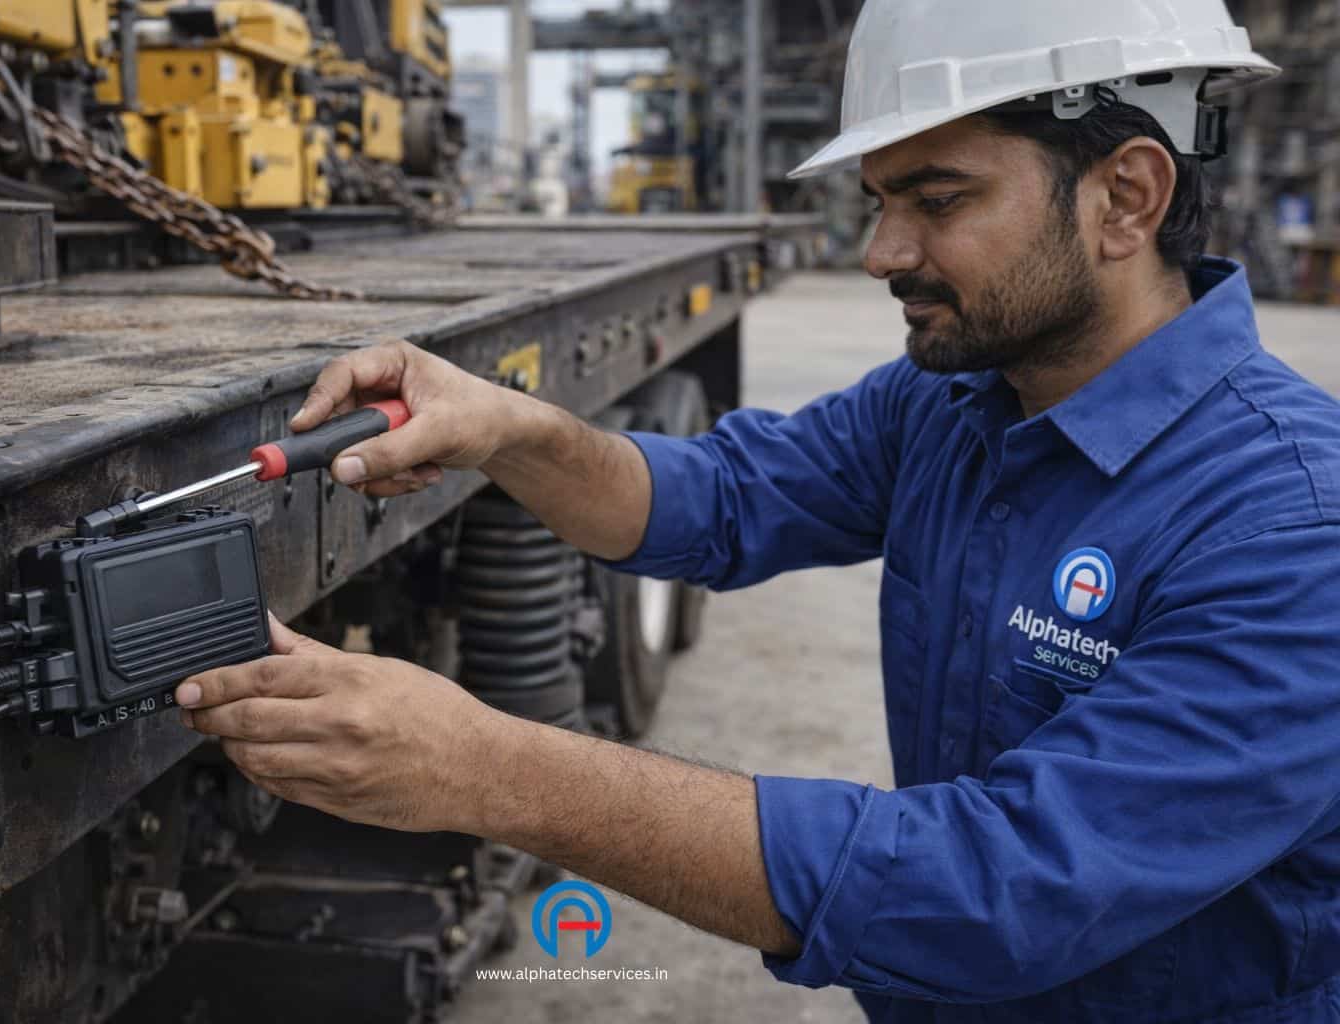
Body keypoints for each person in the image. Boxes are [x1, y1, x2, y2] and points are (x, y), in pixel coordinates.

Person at [175, 2, 1340, 1019]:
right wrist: (505, 426)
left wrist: (486, 768)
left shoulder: (1288, 524)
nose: (883, 250)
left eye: (938, 199)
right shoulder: (958, 404)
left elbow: (997, 888)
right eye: (882, 200)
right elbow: (721, 500)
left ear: (1126, 196)